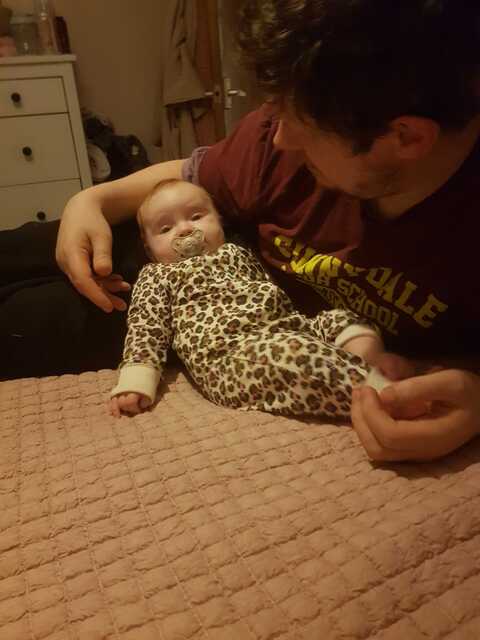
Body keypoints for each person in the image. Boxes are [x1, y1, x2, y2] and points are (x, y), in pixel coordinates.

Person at [3, 0, 479, 460]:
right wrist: (92, 199)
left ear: (406, 137)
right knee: (22, 248)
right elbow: (187, 175)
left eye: (301, 127)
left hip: (227, 330)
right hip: (184, 252)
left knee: (26, 324)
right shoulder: (282, 134)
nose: (278, 138)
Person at [110, 178, 411, 418]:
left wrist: (306, 328)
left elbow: (270, 293)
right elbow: (146, 328)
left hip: (287, 326)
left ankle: (372, 361)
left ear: (219, 222)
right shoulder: (158, 275)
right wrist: (137, 380)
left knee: (340, 318)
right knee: (297, 357)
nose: (186, 229)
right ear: (149, 250)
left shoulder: (237, 252)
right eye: (166, 228)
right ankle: (385, 395)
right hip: (229, 356)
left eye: (197, 216)